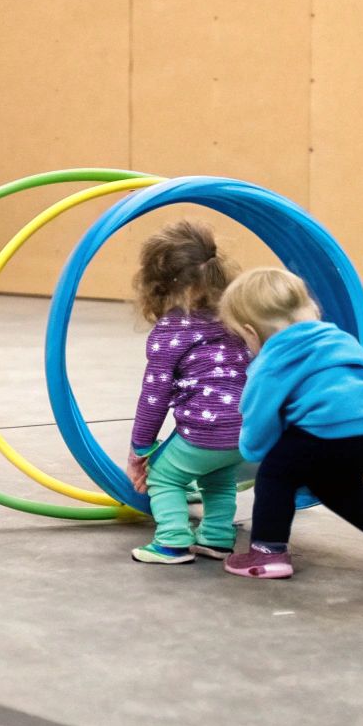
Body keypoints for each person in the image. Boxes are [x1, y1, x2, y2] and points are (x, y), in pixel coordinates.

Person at [216, 267, 363, 581]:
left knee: (275, 473)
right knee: (334, 482)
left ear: (251, 333)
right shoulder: (337, 336)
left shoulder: (272, 359)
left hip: (327, 429)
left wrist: (252, 450)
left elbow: (259, 414)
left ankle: (268, 552)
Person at [124, 220, 249, 565]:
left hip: (205, 429)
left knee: (163, 475)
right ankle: (217, 538)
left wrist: (141, 448)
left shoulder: (169, 332)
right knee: (219, 477)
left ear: (157, 285)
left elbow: (154, 396)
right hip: (248, 426)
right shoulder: (234, 320)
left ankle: (172, 541)